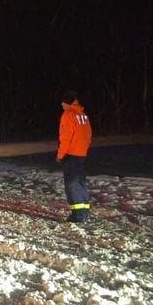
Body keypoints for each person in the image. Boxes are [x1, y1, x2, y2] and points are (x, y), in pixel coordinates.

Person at [57, 91, 93, 223]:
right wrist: (83, 149)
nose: (61, 104)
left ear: (67, 103)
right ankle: (84, 212)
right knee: (80, 182)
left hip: (71, 154)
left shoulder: (68, 115)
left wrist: (60, 154)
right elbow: (88, 135)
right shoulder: (83, 115)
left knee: (72, 184)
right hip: (81, 154)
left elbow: (65, 138)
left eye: (62, 102)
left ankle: (78, 215)